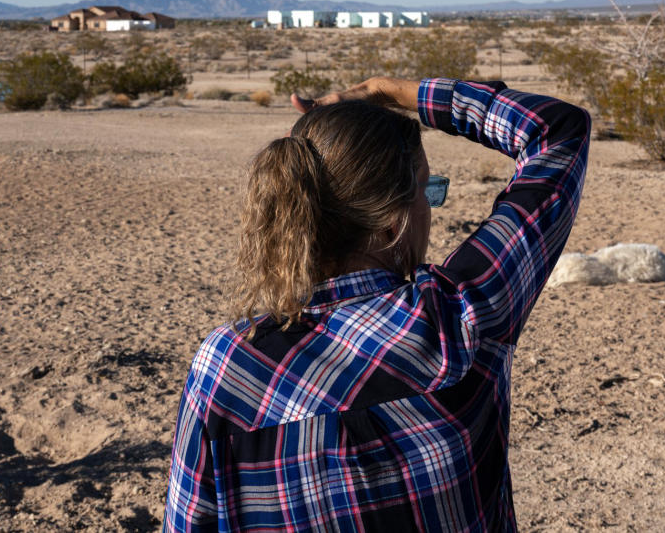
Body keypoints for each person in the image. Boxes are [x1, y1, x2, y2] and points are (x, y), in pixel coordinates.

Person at [165, 76, 590, 531]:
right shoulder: (458, 318)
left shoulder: (227, 365)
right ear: (391, 225)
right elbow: (557, 130)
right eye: (428, 191)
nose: (431, 207)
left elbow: (191, 521)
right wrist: (390, 92)